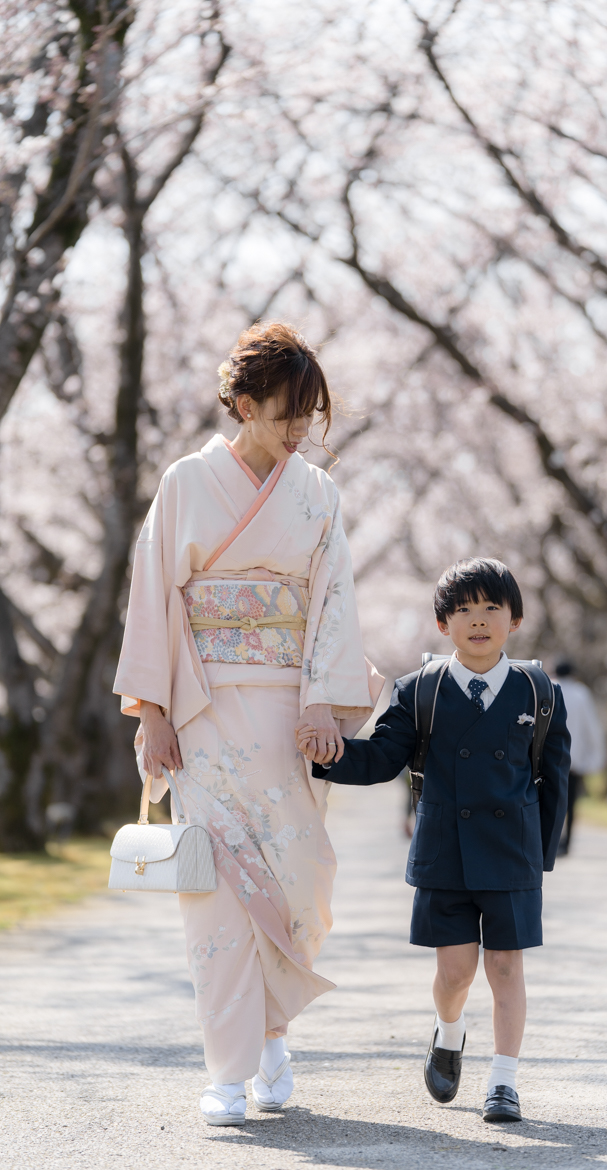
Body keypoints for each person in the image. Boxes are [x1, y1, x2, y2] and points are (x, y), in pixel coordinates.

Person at [113, 321, 383, 1126]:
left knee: (300, 883)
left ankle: (271, 1034)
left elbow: (333, 602)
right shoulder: (186, 483)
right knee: (215, 892)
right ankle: (228, 1071)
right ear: (242, 402)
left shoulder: (317, 495)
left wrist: (319, 703)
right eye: (286, 410)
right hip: (201, 708)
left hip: (289, 714)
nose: (300, 428)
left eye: (310, 413)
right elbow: (155, 595)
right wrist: (155, 713)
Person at [296, 558, 570, 1123]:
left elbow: (555, 780)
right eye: (463, 609)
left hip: (511, 854)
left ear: (514, 620)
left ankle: (504, 1081)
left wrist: (539, 857)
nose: (478, 620)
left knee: (506, 967)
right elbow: (381, 759)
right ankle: (449, 1032)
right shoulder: (419, 689)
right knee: (454, 972)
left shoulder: (538, 692)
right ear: (442, 624)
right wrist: (331, 757)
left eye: (492, 607)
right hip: (445, 849)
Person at [553, 662, 606, 855]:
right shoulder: (580, 693)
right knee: (570, 803)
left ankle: (551, 840)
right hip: (573, 760)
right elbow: (591, 727)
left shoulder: (547, 688)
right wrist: (595, 758)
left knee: (549, 801)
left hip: (547, 759)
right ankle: (567, 844)